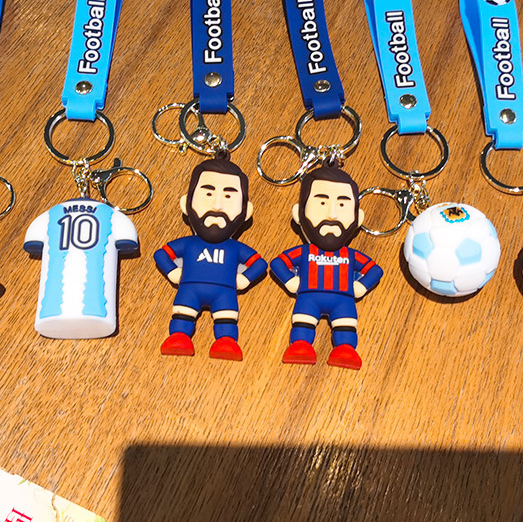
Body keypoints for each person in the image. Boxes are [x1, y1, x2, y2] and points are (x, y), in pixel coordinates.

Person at [270, 165, 383, 370]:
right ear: (298, 213)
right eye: (322, 203)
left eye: (342, 204)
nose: (332, 214)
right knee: (302, 324)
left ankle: (345, 350)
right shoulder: (305, 252)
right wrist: (291, 281)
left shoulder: (350, 255)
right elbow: (278, 263)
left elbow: (375, 270)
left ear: (358, 218)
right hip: (308, 297)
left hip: (343, 300)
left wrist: (361, 286)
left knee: (346, 327)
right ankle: (301, 346)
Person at [154, 157, 266, 360]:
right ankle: (179, 337)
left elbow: (259, 263)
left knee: (226, 320)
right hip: (189, 290)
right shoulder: (189, 243)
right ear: (186, 203)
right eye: (208, 193)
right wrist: (173, 272)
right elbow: (161, 254)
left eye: (228, 196)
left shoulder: (235, 247)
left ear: (246, 211)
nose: (217, 204)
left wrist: (244, 279)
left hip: (225, 293)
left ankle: (226, 342)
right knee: (182, 315)